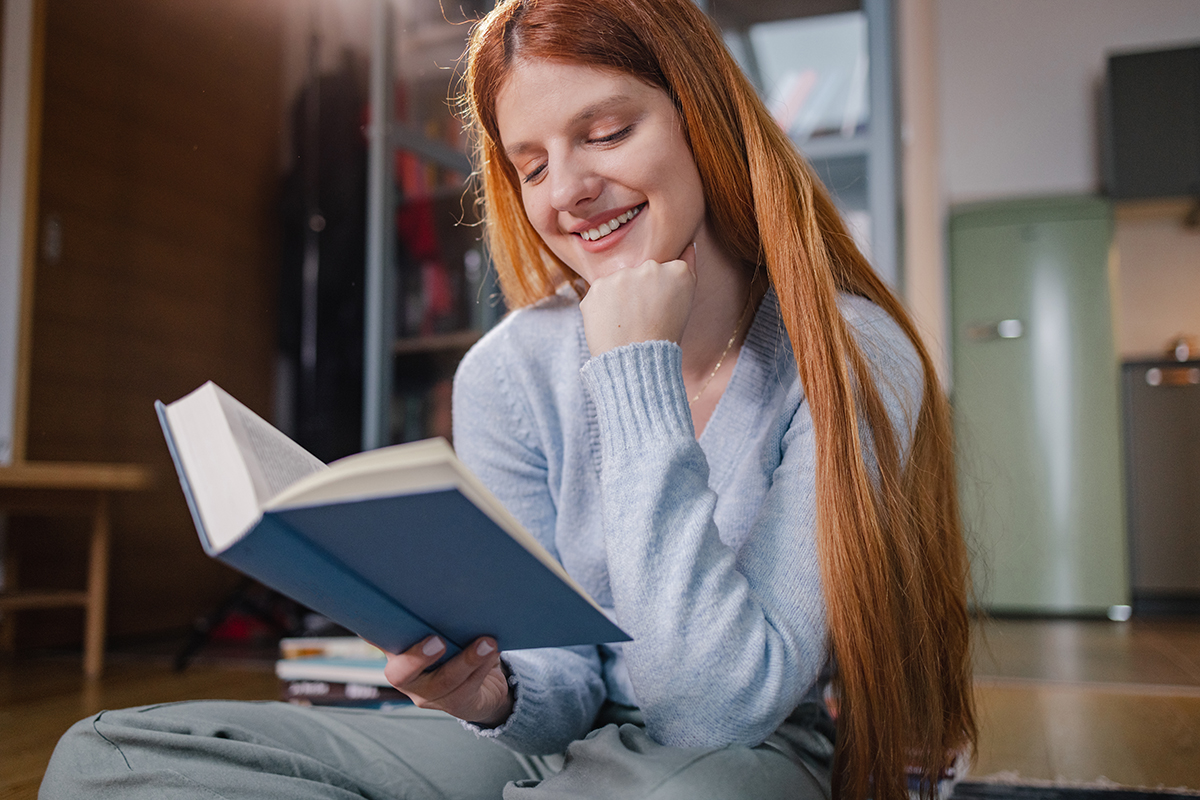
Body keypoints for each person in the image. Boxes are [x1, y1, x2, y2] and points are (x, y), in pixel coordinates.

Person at [39, 1, 976, 798]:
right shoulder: (508, 372)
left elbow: (716, 700)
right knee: (107, 762)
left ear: (705, 120)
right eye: (530, 164)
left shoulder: (849, 351)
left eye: (607, 133)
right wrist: (485, 694)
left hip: (741, 750)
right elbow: (554, 688)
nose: (567, 190)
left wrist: (633, 370)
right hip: (535, 757)